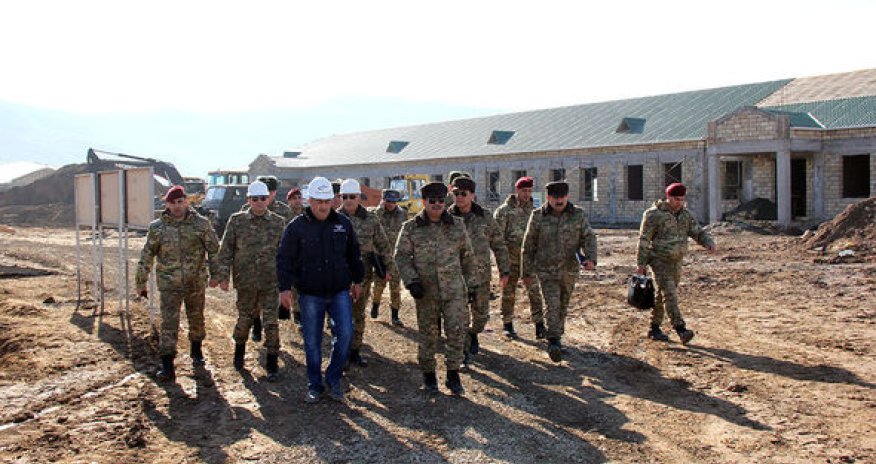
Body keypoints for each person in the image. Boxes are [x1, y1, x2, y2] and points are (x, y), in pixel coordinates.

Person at [277, 177, 364, 403]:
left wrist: (358, 280)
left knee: (345, 333)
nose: (323, 206)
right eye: (318, 201)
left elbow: (353, 254)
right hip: (310, 294)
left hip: (339, 292)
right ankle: (315, 385)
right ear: (309, 200)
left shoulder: (343, 224)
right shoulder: (296, 227)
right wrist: (284, 288)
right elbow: (284, 259)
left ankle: (333, 378)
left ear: (333, 200)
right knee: (312, 342)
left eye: (327, 201)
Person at [394, 182, 476, 396]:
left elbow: (467, 257)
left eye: (441, 200)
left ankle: (453, 374)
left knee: (457, 332)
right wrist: (412, 282)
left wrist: (472, 286)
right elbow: (401, 256)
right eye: (432, 201)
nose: (437, 204)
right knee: (429, 335)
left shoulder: (457, 226)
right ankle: (429, 376)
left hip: (454, 290)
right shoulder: (411, 228)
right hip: (426, 291)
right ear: (424, 202)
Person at [135, 185, 220, 381]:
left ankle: (196, 352)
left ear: (187, 201)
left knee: (196, 319)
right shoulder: (157, 228)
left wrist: (217, 274)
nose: (177, 206)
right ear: (167, 204)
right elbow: (147, 254)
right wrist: (141, 281)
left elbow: (214, 250)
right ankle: (167, 365)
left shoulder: (201, 224)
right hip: (169, 284)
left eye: (180, 202)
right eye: (173, 203)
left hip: (195, 282)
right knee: (169, 324)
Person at [215, 181, 287, 381]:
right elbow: (226, 249)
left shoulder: (278, 222)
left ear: (268, 199)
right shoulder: (237, 221)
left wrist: (287, 282)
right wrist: (223, 275)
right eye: (254, 199)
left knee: (271, 322)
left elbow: (284, 255)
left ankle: (272, 362)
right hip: (245, 281)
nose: (259, 203)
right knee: (245, 319)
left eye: (263, 199)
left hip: (270, 281)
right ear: (248, 200)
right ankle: (239, 353)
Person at [522, 181, 597, 363]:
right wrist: (526, 272)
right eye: (555, 197)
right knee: (552, 304)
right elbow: (528, 244)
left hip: (569, 269)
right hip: (546, 270)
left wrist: (591, 259)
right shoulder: (538, 216)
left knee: (563, 304)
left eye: (562, 197)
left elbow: (588, 237)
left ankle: (557, 335)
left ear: (567, 196)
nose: (559, 201)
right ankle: (553, 340)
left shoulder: (577, 214)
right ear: (548, 198)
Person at [636, 182, 716, 344]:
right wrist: (641, 263)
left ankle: (654, 328)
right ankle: (680, 328)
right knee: (670, 294)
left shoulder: (685, 215)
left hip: (676, 260)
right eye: (676, 199)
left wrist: (708, 242)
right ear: (668, 197)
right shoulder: (654, 215)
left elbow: (697, 232)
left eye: (682, 199)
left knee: (662, 295)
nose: (679, 202)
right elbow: (644, 239)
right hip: (658, 259)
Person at [448, 176, 510, 365]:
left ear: (472, 195)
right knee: (459, 316)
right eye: (455, 193)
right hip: (455, 276)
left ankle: (473, 333)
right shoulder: (446, 217)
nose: (459, 197)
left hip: (480, 275)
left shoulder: (484, 216)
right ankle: (463, 350)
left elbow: (498, 244)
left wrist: (504, 270)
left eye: (463, 194)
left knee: (480, 316)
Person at [337, 179, 396, 367]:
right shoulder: (333, 218)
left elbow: (383, 245)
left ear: (359, 197)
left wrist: (389, 268)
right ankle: (341, 352)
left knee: (358, 313)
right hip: (337, 276)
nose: (348, 200)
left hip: (362, 276)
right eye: (344, 197)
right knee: (339, 315)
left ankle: (354, 350)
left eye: (352, 197)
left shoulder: (370, 219)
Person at [240, 175, 293, 342]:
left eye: (270, 191)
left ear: (274, 192)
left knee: (271, 303)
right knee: (254, 302)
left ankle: (270, 335)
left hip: (274, 264)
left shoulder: (284, 211)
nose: (266, 196)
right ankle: (256, 324)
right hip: (252, 265)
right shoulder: (245, 210)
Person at [494, 176, 544, 339]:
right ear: (517, 191)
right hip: (511, 260)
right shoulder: (504, 211)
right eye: (524, 191)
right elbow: (497, 239)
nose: (527, 194)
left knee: (535, 292)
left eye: (529, 191)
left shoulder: (535, 211)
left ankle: (540, 325)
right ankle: (507, 324)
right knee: (509, 292)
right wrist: (502, 264)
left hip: (529, 261)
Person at [369, 189, 407, 326]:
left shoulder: (402, 214)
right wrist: (380, 207)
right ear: (384, 200)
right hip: (380, 255)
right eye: (388, 201)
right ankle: (375, 304)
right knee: (379, 285)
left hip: (396, 256)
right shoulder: (377, 213)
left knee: (395, 288)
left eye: (394, 201)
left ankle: (395, 315)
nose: (391, 204)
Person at [285, 186, 305, 326]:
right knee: (294, 286)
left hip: (307, 255)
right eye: (294, 199)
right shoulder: (284, 217)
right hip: (292, 256)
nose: (297, 201)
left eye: (299, 198)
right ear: (289, 202)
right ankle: (297, 312)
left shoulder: (308, 214)